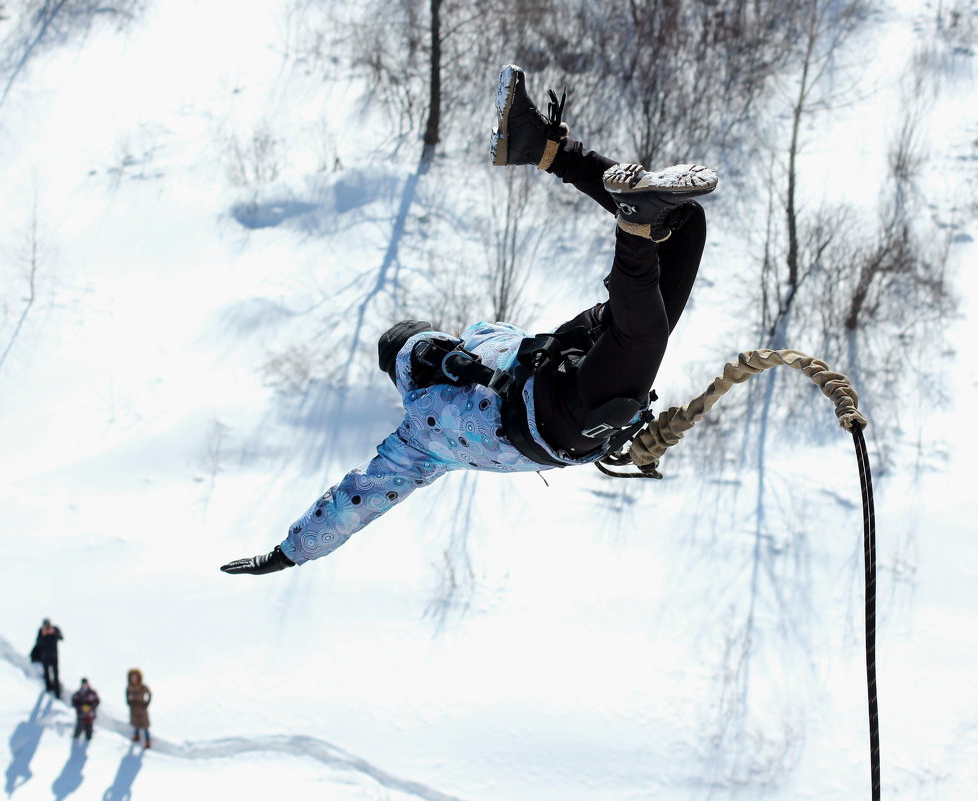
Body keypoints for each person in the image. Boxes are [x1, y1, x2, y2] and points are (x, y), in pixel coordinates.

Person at [221, 63, 717, 576]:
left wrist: (287, 554)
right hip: (565, 420)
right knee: (645, 325)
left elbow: (358, 498)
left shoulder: (443, 401)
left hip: (570, 373)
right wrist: (289, 551)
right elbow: (360, 493)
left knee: (680, 229)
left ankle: (549, 152)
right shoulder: (423, 418)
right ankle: (625, 213)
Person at [29, 618, 64, 698]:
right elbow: (37, 643)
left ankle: (57, 692)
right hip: (45, 657)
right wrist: (43, 635)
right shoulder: (41, 631)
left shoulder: (55, 629)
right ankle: (48, 689)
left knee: (56, 674)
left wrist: (54, 633)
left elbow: (61, 638)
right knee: (46, 674)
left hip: (54, 656)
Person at [125, 668, 153, 748]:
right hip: (133, 708)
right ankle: (136, 736)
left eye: (135, 678)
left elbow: (150, 694)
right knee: (135, 723)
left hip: (142, 708)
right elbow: (127, 694)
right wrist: (128, 701)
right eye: (132, 678)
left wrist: (146, 703)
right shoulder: (129, 687)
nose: (134, 679)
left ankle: (148, 741)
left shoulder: (143, 687)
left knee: (145, 725)